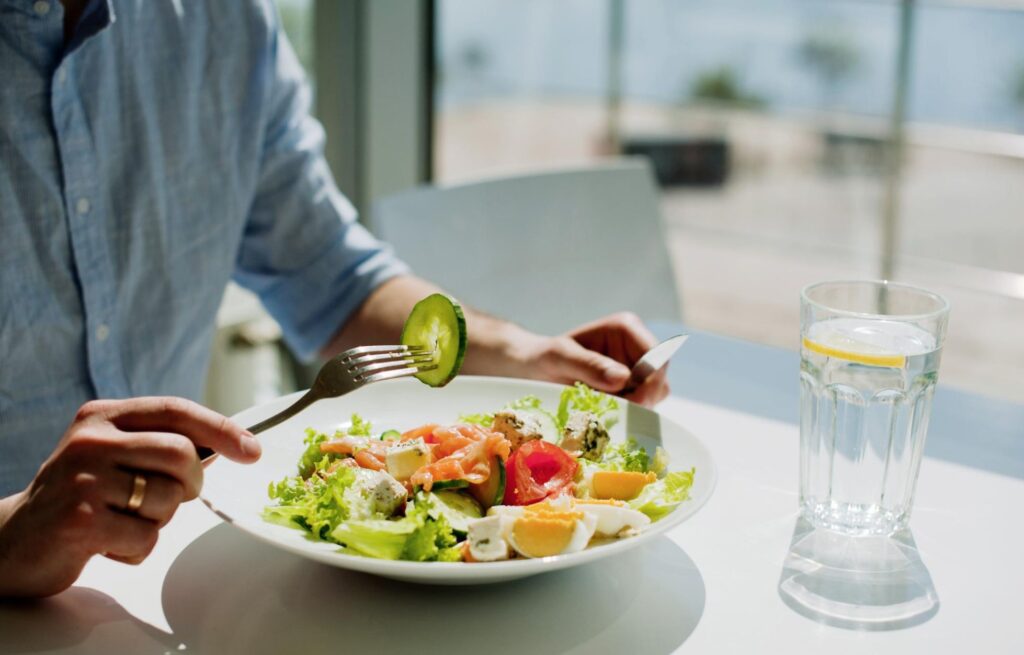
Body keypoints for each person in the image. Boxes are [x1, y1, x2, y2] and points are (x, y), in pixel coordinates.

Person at [0, 0, 669, 598]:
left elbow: (333, 280)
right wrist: (12, 533)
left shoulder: (222, 19)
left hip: (180, 578)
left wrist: (521, 351)